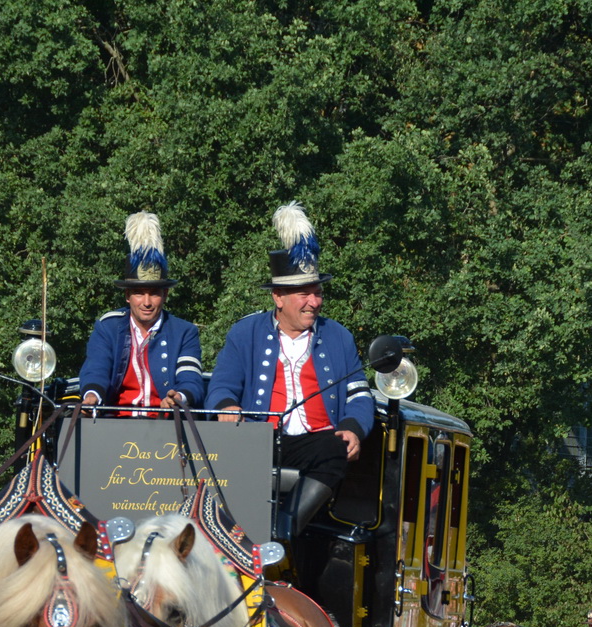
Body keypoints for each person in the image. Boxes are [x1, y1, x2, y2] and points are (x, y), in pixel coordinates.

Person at [208, 202, 373, 536]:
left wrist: (353, 428)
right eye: (305, 293)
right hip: (261, 437)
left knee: (334, 447)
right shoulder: (245, 333)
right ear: (279, 297)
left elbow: (358, 394)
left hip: (316, 442)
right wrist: (227, 407)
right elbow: (222, 384)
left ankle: (283, 529)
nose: (315, 301)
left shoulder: (338, 336)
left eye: (318, 292)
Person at [76, 211, 204, 412]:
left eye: (154, 294)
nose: (146, 302)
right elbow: (96, 368)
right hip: (115, 423)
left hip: (165, 426)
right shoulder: (108, 326)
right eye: (138, 293)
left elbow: (192, 380)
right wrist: (92, 395)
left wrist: (179, 397)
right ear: (127, 295)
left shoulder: (184, 331)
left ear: (165, 295)